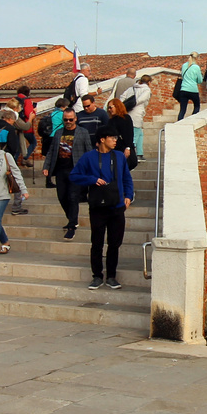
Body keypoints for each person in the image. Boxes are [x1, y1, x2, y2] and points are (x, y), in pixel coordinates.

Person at [70, 124, 134, 290]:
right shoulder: (88, 157)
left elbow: (127, 178)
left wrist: (129, 196)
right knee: (97, 242)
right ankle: (97, 276)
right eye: (112, 138)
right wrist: (92, 180)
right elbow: (74, 175)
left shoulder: (119, 156)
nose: (115, 141)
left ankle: (111, 276)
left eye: (116, 138)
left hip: (117, 205)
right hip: (98, 206)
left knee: (115, 243)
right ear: (102, 139)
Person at [43, 106, 91, 239]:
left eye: (71, 119)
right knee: (62, 197)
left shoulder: (82, 132)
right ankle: (71, 218)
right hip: (60, 170)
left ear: (75, 119)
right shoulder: (58, 133)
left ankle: (72, 225)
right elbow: (52, 151)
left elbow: (89, 151)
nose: (68, 122)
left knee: (73, 197)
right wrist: (46, 166)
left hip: (76, 169)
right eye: (66, 120)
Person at [0, 102, 33, 213]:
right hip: (5, 157)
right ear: (9, 119)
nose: (13, 123)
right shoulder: (9, 129)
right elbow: (13, 146)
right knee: (16, 180)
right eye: (13, 121)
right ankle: (16, 207)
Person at [106, 97, 137, 170]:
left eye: (111, 107)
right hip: (116, 148)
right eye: (108, 108)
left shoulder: (126, 118)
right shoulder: (111, 121)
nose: (109, 110)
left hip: (124, 146)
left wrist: (128, 148)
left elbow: (129, 134)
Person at [176, 53, 203, 121]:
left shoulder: (184, 65)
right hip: (193, 90)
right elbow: (200, 80)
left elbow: (182, 76)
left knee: (182, 109)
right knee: (197, 106)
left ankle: (179, 122)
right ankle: (192, 119)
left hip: (183, 89)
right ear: (196, 58)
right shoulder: (196, 67)